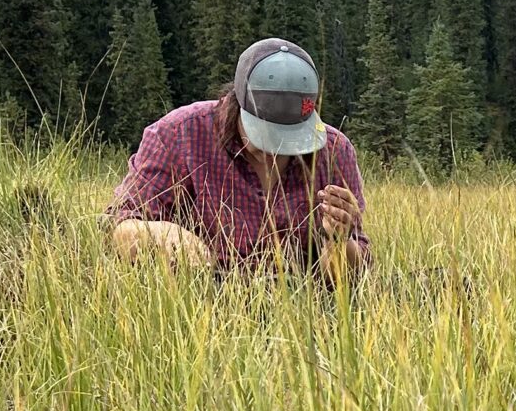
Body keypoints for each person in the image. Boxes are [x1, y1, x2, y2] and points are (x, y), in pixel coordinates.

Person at [105, 38, 371, 283]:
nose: (275, 151)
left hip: (303, 313)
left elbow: (348, 278)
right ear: (237, 103)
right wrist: (161, 235)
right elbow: (118, 228)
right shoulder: (177, 135)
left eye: (289, 138)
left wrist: (338, 241)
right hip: (202, 307)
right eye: (266, 136)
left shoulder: (335, 151)